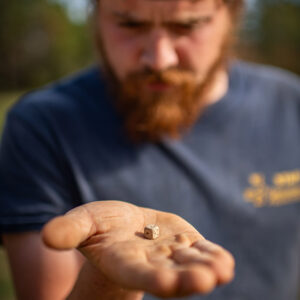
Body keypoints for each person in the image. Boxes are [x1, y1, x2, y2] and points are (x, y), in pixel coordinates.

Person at [0, 0, 299, 299]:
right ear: (96, 15)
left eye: (187, 26)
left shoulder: (291, 106)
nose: (159, 60)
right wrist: (109, 279)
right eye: (130, 25)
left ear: (233, 15)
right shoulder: (42, 125)